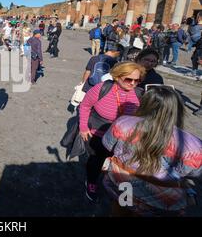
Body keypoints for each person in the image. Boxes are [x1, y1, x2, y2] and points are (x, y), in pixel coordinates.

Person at [102, 87, 202, 216]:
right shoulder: (194, 145)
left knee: (122, 211)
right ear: (178, 110)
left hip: (122, 185)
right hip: (162, 201)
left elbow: (108, 145)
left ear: (144, 103)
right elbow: (196, 173)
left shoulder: (122, 122)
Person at [79, 62, 146, 202]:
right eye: (128, 79)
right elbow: (85, 106)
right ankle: (91, 182)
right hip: (99, 133)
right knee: (96, 160)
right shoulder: (102, 88)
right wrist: (83, 127)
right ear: (117, 76)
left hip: (124, 138)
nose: (133, 83)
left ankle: (116, 187)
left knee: (119, 165)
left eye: (137, 80)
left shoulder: (139, 95)